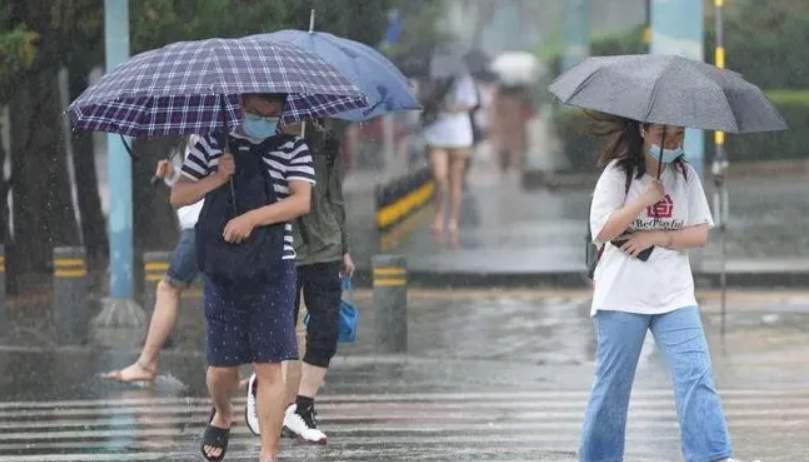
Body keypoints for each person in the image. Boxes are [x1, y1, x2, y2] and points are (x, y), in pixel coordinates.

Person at [580, 118, 735, 462]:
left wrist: (657, 236)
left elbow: (699, 234)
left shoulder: (684, 176)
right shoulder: (617, 175)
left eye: (679, 134)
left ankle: (711, 455)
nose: (672, 141)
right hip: (622, 296)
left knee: (695, 376)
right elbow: (602, 231)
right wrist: (642, 201)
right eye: (664, 134)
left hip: (674, 296)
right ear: (643, 132)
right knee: (612, 390)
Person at [171, 93, 314, 462]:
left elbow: (301, 201)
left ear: (282, 112)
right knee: (222, 369)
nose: (263, 119)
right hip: (222, 268)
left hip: (273, 268)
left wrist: (252, 218)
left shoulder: (294, 148)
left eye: (271, 114)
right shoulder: (212, 143)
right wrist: (217, 178)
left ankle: (268, 454)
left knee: (269, 364)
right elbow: (179, 195)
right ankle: (222, 411)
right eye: (254, 112)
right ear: (239, 106)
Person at [103, 138, 203, 383]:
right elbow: (198, 181)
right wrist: (173, 176)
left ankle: (147, 362)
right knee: (225, 295)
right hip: (202, 224)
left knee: (169, 287)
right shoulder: (199, 132)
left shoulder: (208, 131)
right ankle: (251, 370)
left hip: (201, 226)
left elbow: (205, 184)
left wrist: (177, 180)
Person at [420, 73, 479, 237]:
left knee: (455, 179)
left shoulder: (465, 79)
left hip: (459, 134)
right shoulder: (431, 78)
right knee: (439, 176)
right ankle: (439, 215)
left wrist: (453, 108)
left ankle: (453, 219)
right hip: (435, 133)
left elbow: (472, 103)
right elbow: (422, 100)